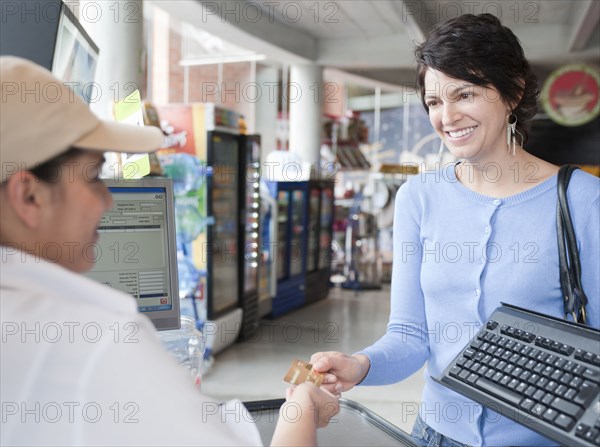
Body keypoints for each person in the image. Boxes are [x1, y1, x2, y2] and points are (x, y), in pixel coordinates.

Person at [0, 56, 339, 447]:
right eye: (94, 176)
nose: (107, 201)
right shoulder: (94, 343)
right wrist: (304, 409)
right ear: (28, 195)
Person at [310, 13, 599, 447]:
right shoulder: (419, 198)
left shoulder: (582, 199)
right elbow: (409, 336)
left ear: (512, 93)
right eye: (433, 101)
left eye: (465, 94)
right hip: (435, 435)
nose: (447, 116)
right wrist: (360, 365)